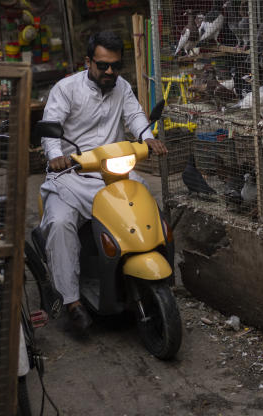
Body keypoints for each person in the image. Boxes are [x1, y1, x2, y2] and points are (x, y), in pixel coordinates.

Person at [39, 30, 167, 334]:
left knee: (148, 201)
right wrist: (56, 155)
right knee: (59, 223)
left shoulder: (121, 87)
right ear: (88, 62)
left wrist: (148, 138)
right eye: (102, 65)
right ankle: (72, 302)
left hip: (114, 172)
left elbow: (135, 115)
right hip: (71, 175)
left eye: (115, 66)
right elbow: (51, 128)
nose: (110, 72)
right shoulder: (65, 89)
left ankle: (147, 274)